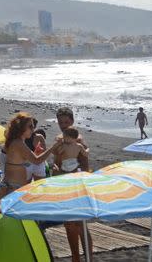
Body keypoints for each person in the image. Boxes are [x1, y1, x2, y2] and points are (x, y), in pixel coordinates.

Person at [54, 108, 93, 262]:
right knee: (69, 224)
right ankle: (75, 258)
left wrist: (81, 179)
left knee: (80, 224)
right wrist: (56, 168)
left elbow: (85, 162)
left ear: (72, 121)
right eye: (60, 122)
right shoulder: (59, 139)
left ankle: (88, 258)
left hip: (77, 184)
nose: (63, 125)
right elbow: (57, 162)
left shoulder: (78, 139)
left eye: (66, 122)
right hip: (63, 184)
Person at [0, 113, 60, 198]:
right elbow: (37, 160)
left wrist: (36, 153)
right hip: (13, 187)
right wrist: (54, 147)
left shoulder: (15, 141)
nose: (33, 130)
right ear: (21, 128)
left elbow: (24, 159)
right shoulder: (18, 143)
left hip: (11, 185)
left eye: (33, 127)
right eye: (30, 127)